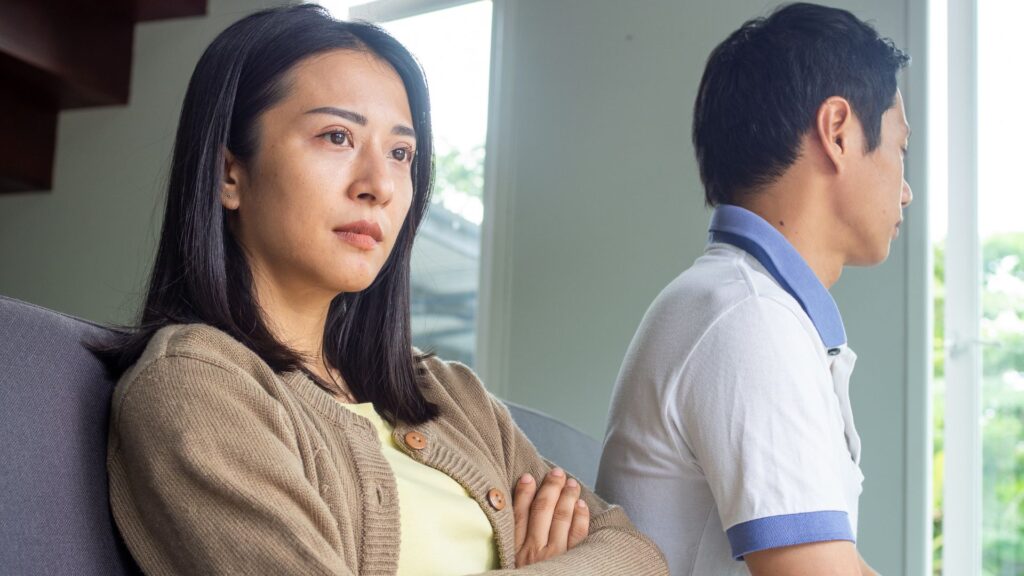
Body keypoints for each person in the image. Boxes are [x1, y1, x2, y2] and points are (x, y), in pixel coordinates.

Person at [97, 5, 667, 575]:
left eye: (401, 154)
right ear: (229, 174)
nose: (379, 186)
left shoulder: (451, 396)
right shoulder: (194, 386)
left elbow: (638, 556)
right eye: (337, 136)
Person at [596, 3, 911, 575]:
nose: (906, 190)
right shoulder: (749, 318)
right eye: (899, 149)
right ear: (838, 132)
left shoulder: (747, 304)